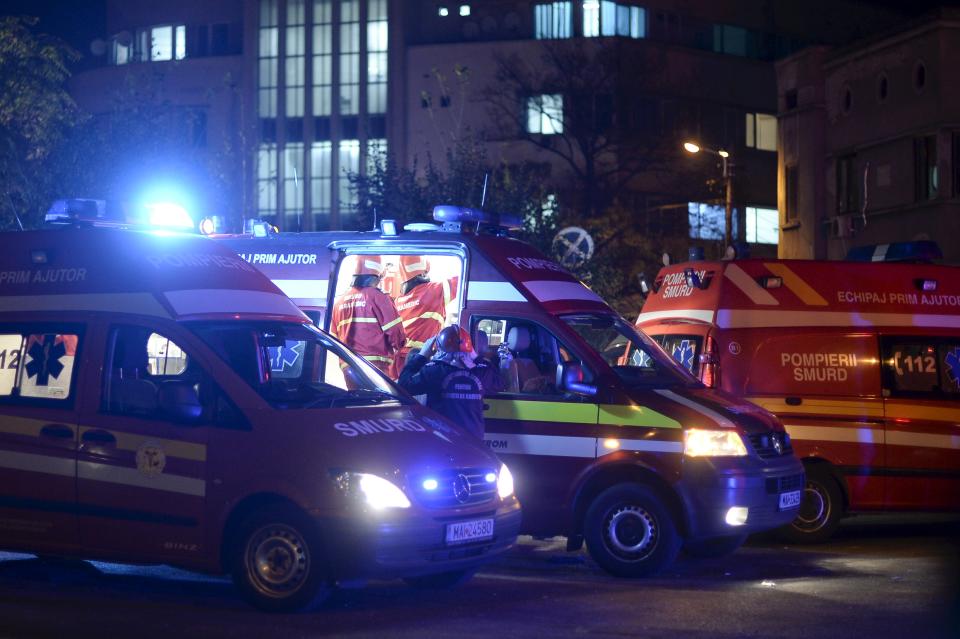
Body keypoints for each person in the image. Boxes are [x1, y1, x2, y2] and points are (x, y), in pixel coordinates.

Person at [398, 324, 498, 439]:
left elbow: (403, 385)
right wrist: (476, 357)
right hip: (474, 444)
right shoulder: (481, 372)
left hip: (443, 442)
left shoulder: (434, 371)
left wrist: (422, 356)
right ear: (470, 348)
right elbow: (500, 382)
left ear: (439, 348)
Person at [330, 255, 405, 376]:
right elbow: (396, 333)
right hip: (375, 366)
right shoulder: (378, 297)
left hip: (348, 366)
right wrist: (400, 347)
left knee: (357, 395)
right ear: (377, 275)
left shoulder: (338, 302)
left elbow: (333, 338)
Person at [391, 255, 457, 377]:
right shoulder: (434, 290)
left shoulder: (398, 301)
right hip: (420, 360)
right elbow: (463, 280)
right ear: (423, 273)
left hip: (398, 362)